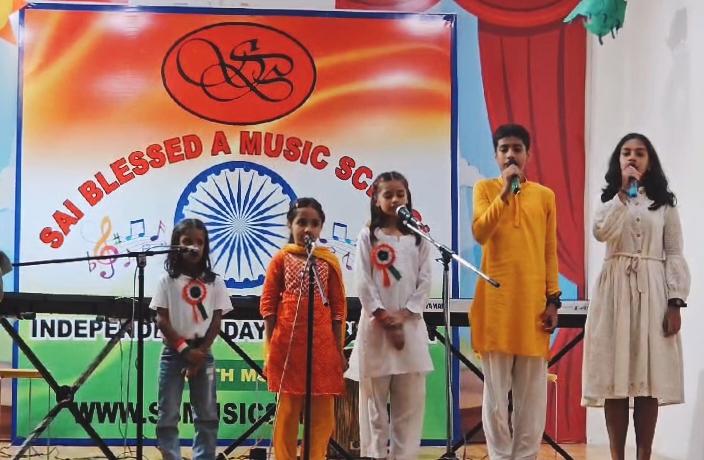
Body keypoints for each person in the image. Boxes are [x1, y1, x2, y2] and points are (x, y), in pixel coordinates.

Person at [582, 133, 690, 460]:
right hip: (614, 293)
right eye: (626, 153)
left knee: (648, 379)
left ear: (650, 162)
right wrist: (622, 195)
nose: (632, 158)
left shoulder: (665, 204)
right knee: (615, 377)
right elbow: (601, 231)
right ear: (618, 161)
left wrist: (675, 301)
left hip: (653, 292)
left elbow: (674, 252)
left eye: (639, 153)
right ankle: (617, 455)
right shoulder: (607, 200)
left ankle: (644, 455)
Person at [470, 123, 561, 460]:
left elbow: (549, 250)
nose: (511, 154)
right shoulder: (484, 189)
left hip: (533, 308)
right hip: (496, 306)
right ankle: (499, 456)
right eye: (504, 149)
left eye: (517, 148)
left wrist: (553, 299)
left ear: (528, 154)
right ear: (496, 156)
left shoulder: (545, 196)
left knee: (532, 396)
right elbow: (481, 232)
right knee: (495, 395)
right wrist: (506, 194)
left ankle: (525, 456)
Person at [346, 171, 434, 460]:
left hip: (410, 329)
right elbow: (363, 280)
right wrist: (383, 316)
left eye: (400, 194)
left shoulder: (419, 238)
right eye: (388, 194)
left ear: (408, 197)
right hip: (376, 329)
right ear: (376, 200)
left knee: (409, 405)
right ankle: (375, 455)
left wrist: (405, 315)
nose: (395, 199)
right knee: (374, 406)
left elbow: (425, 280)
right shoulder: (368, 236)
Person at [260, 197, 347, 460]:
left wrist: (338, 349)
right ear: (290, 224)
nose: (308, 229)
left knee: (322, 414)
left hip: (322, 346)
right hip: (288, 345)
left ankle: (315, 456)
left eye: (314, 223)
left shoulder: (327, 261)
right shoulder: (281, 259)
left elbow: (338, 310)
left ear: (321, 227)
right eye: (302, 222)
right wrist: (270, 349)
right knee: (287, 411)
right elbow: (268, 306)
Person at [150, 218, 232, 460]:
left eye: (200, 242)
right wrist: (185, 350)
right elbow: (162, 320)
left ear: (205, 247)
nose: (194, 247)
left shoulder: (215, 282)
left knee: (207, 414)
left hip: (203, 354)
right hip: (173, 353)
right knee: (168, 414)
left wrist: (200, 353)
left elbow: (216, 321)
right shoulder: (166, 281)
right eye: (187, 241)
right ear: (176, 244)